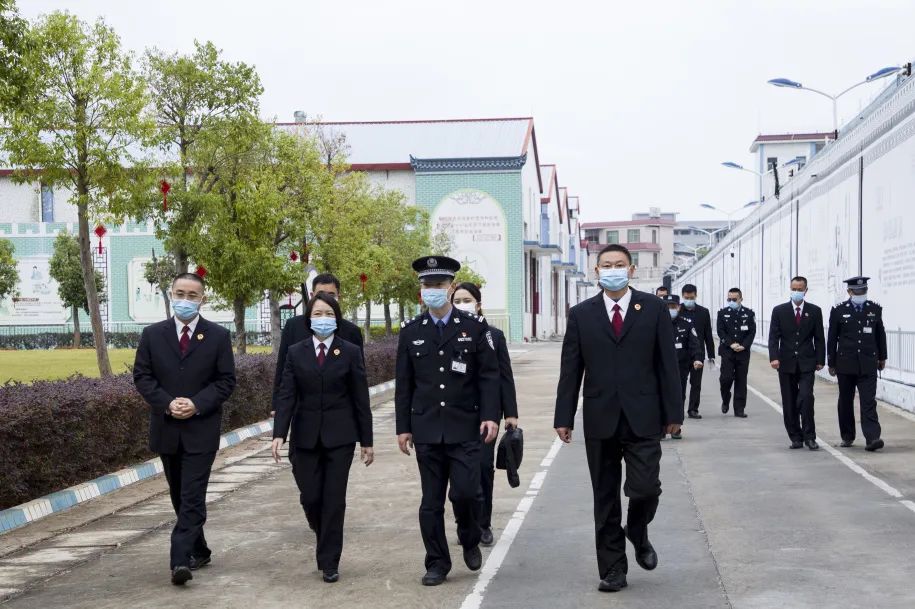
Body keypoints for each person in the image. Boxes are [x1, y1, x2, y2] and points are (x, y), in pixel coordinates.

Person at [554, 244, 681, 593]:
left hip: (644, 416)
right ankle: (612, 569)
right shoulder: (582, 314)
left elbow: (667, 364)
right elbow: (571, 369)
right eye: (606, 265)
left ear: (632, 269)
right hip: (600, 417)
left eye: (619, 264)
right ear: (597, 272)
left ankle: (637, 530)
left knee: (644, 488)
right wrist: (564, 416)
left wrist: (674, 413)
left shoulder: (653, 308)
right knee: (605, 496)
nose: (613, 269)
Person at [395, 256, 500, 587]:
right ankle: (437, 562)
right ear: (420, 292)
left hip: (465, 426)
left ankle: (469, 538)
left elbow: (488, 377)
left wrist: (489, 416)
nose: (433, 291)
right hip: (426, 428)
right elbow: (404, 385)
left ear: (451, 288)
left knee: (467, 494)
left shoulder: (473, 328)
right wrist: (403, 427)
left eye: (439, 286)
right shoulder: (411, 333)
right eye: (427, 286)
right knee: (430, 503)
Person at [133, 272, 236, 586]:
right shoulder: (153, 335)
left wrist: (196, 403)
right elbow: (143, 376)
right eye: (181, 293)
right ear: (171, 295)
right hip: (166, 429)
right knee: (180, 495)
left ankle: (180, 559)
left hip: (201, 430)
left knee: (192, 496)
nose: (186, 300)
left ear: (202, 298)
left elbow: (225, 381)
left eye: (193, 295)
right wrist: (167, 403)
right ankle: (199, 548)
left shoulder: (217, 336)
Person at [271, 293, 373, 583]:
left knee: (334, 500)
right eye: (318, 313)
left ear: (337, 319)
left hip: (340, 438)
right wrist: (280, 433)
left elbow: (360, 399)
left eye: (329, 313)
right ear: (309, 319)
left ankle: (330, 561)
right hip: (304, 437)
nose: (323, 319)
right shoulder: (296, 352)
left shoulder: (350, 351)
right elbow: (287, 394)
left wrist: (367, 441)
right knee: (311, 496)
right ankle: (321, 531)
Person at [451, 282, 519, 546]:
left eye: (467, 300)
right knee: (459, 479)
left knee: (482, 471)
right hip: (455, 416)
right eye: (457, 300)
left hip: (485, 416)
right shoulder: (446, 335)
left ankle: (483, 524)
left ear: (478, 304)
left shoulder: (494, 336)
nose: (462, 304)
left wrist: (510, 413)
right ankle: (464, 524)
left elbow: (504, 377)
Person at [272, 273, 364, 413]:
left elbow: (358, 379)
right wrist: (277, 404)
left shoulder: (351, 332)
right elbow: (282, 368)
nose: (326, 299)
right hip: (302, 409)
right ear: (311, 295)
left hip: (340, 411)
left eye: (331, 294)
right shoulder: (293, 327)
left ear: (339, 296)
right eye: (320, 294)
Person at [827, 276, 887, 451]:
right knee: (845, 401)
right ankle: (847, 436)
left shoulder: (874, 309)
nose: (861, 294)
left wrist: (882, 357)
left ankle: (872, 437)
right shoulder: (839, 311)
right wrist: (831, 362)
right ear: (849, 292)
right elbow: (832, 339)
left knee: (868, 401)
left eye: (864, 291)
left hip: (868, 363)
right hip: (845, 364)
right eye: (857, 292)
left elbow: (880, 335)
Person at [768, 276, 825, 450]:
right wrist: (774, 357)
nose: (797, 292)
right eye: (794, 288)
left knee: (806, 398)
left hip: (807, 363)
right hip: (785, 363)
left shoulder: (814, 311)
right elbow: (773, 337)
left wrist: (821, 360)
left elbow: (819, 338)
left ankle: (810, 436)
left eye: (800, 289)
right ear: (790, 289)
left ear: (806, 290)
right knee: (789, 401)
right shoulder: (779, 311)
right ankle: (795, 436)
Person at [662, 294, 703, 439]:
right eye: (667, 307)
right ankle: (661, 427)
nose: (670, 309)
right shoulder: (656, 323)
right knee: (660, 397)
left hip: (680, 367)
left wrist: (697, 358)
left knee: (678, 397)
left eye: (673, 307)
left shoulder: (686, 324)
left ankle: (676, 426)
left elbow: (695, 344)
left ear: (679, 307)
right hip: (660, 368)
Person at [717, 287, 756, 418]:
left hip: (742, 352)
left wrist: (744, 346)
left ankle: (739, 409)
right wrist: (730, 343)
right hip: (728, 351)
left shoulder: (749, 314)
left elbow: (751, 332)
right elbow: (720, 331)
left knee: (741, 380)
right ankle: (726, 397)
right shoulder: (722, 313)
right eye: (729, 299)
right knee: (725, 378)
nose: (731, 301)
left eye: (734, 299)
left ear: (740, 299)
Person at [679, 284, 715, 419]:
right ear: (683, 296)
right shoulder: (678, 310)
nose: (689, 299)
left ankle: (693, 409)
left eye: (692, 297)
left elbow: (708, 335)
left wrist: (711, 355)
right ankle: (678, 408)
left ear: (696, 296)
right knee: (680, 383)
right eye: (687, 297)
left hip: (698, 354)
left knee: (696, 383)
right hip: (681, 354)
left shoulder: (703, 312)